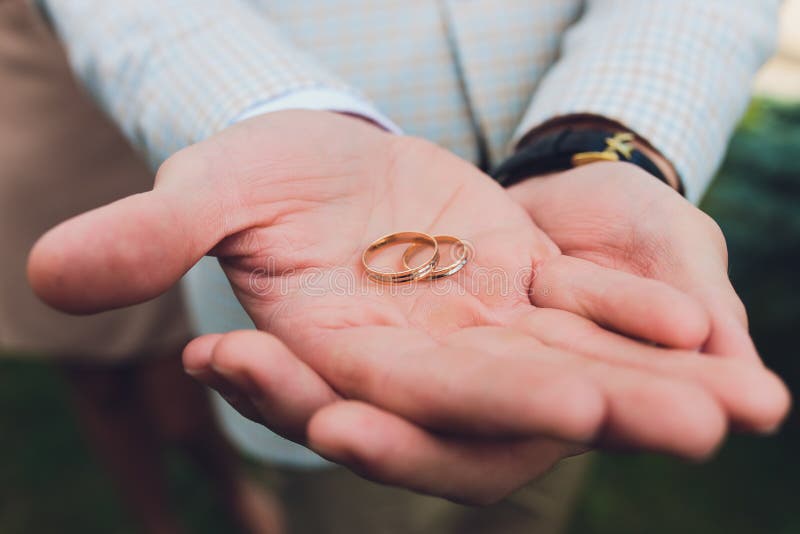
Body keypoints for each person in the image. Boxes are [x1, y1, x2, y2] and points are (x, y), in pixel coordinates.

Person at [29, 0, 791, 532]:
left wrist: (602, 132)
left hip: (571, 289)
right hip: (310, 321)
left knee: (541, 478)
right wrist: (276, 111)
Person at [0, 2, 281, 533]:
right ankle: (153, 517)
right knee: (95, 378)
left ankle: (230, 489)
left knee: (181, 378)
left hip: (123, 131)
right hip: (23, 152)